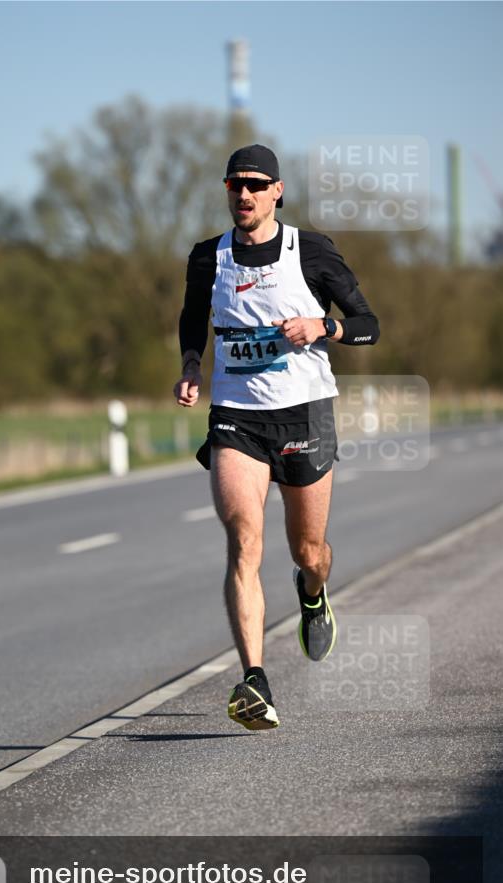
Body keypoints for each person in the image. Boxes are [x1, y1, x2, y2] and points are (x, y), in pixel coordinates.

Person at [173, 144, 380, 731]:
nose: (244, 194)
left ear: (277, 191)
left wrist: (326, 326)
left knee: (308, 552)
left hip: (306, 414)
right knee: (244, 539)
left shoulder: (309, 250)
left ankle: (312, 593)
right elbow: (193, 315)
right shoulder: (207, 257)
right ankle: (255, 679)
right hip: (237, 417)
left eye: (256, 185)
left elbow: (369, 324)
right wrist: (192, 363)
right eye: (234, 184)